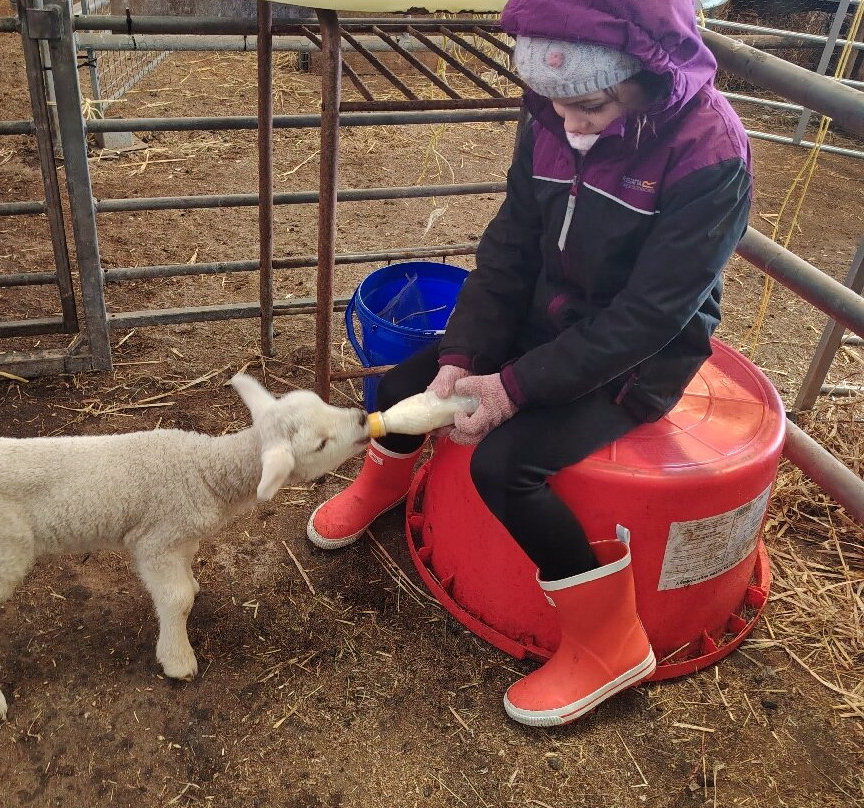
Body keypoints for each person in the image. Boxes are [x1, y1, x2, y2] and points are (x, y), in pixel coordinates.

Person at [308, 0, 752, 727]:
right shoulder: (552, 116)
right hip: (547, 314)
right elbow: (511, 245)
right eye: (552, 100)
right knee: (404, 384)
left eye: (590, 105)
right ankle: (382, 487)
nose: (569, 123)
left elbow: (650, 315)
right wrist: (463, 356)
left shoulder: (710, 155)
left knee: (504, 466)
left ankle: (611, 645)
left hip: (638, 357)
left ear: (648, 74)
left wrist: (512, 388)